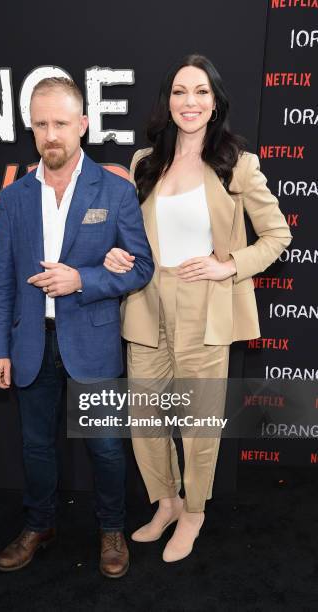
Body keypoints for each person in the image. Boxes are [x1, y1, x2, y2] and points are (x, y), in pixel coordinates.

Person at [103, 54, 292, 563]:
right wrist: (117, 253)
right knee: (145, 418)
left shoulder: (237, 163)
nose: (190, 102)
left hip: (204, 310)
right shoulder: (145, 162)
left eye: (201, 92)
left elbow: (278, 236)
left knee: (198, 423)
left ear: (215, 101)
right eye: (181, 91)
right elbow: (129, 235)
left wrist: (228, 266)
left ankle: (193, 512)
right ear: (168, 100)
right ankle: (164, 503)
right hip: (145, 303)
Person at [0, 77, 154, 577]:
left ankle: (111, 530)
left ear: (83, 124)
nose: (51, 134)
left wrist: (83, 278)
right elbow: (2, 283)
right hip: (32, 345)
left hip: (94, 343)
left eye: (60, 123)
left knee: (105, 446)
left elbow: (141, 267)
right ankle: (39, 524)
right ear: (31, 128)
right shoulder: (15, 197)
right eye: (41, 124)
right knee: (36, 446)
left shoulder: (115, 190)